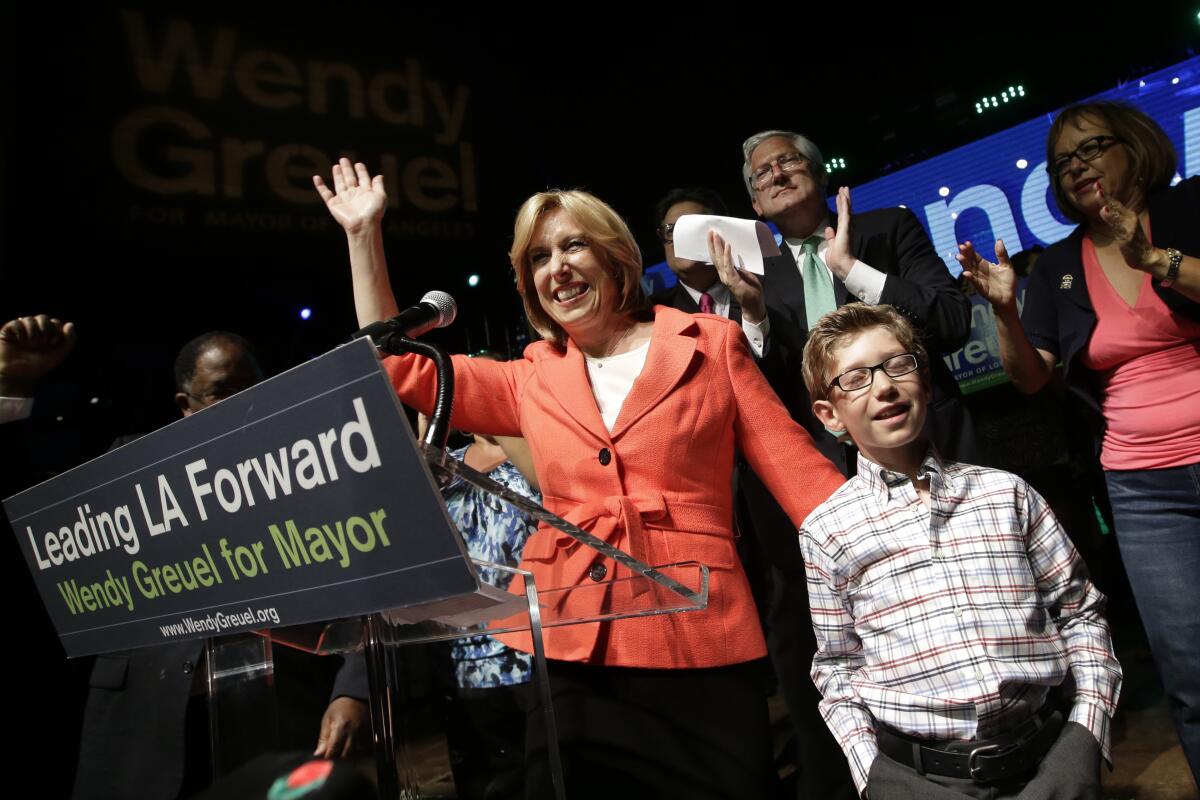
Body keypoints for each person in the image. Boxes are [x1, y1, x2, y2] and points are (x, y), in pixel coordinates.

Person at [314, 158, 846, 799]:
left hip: (697, 633)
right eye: (539, 258)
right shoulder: (530, 376)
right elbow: (396, 364)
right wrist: (362, 236)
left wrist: (898, 553)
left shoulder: (710, 343)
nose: (556, 268)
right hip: (573, 647)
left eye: (573, 246)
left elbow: (799, 472)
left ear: (617, 259)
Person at [958, 100, 1200, 785]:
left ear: (1135, 146)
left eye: (1090, 149)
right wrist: (1005, 309)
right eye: (1063, 161)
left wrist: (1155, 259)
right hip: (1143, 487)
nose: (1077, 168)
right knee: (1189, 670)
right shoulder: (1059, 265)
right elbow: (1032, 378)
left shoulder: (1188, 209)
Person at [799, 303, 1121, 799]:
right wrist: (877, 780)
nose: (883, 386)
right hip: (927, 782)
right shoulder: (827, 530)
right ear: (829, 415)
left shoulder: (1006, 494)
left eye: (897, 365)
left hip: (1049, 760)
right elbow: (838, 667)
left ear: (925, 382)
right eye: (856, 378)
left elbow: (1080, 616)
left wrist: (1084, 740)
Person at [72, 332, 370, 800]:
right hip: (145, 726)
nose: (244, 403)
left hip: (276, 712)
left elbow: (370, 583)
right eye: (222, 392)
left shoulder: (309, 468)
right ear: (185, 404)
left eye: (254, 386)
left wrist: (356, 688)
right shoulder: (132, 469)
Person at [652, 187, 855, 798]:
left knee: (805, 643)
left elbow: (792, 395)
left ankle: (834, 777)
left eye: (699, 226)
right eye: (672, 232)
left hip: (776, 507)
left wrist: (756, 314)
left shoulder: (776, 291)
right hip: (699, 518)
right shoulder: (649, 316)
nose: (687, 238)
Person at [741, 129, 977, 474]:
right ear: (756, 204)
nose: (777, 173)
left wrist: (852, 271)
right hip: (829, 468)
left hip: (932, 442)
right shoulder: (754, 279)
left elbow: (952, 322)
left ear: (820, 173)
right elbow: (764, 397)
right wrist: (752, 313)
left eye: (788, 159)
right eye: (762, 173)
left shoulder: (889, 228)